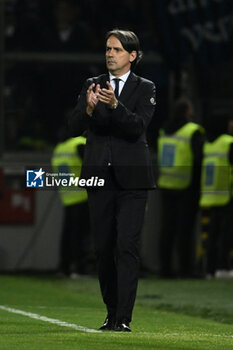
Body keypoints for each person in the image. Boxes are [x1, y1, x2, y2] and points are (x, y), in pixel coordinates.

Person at [69, 29, 156, 332]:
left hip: (132, 180)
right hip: (99, 178)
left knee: (126, 246)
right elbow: (74, 125)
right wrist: (90, 108)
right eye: (107, 48)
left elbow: (137, 127)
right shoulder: (91, 85)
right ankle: (110, 313)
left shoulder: (146, 88)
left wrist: (115, 107)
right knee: (104, 248)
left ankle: (123, 318)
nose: (110, 54)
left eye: (117, 49)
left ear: (132, 55)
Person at [157, 98, 204, 278]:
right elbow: (199, 158)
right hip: (187, 187)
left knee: (167, 229)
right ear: (188, 112)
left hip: (167, 184)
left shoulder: (164, 130)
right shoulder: (192, 131)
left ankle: (165, 269)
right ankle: (185, 269)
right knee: (185, 230)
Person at [52, 134, 91, 278]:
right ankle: (79, 267)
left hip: (67, 196)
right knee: (81, 235)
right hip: (82, 195)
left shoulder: (60, 148)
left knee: (68, 233)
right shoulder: (79, 144)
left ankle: (65, 267)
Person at [200, 113, 233, 279]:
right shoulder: (228, 142)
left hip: (211, 196)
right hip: (227, 195)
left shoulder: (208, 144)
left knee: (212, 235)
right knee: (227, 235)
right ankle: (224, 268)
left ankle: (210, 269)